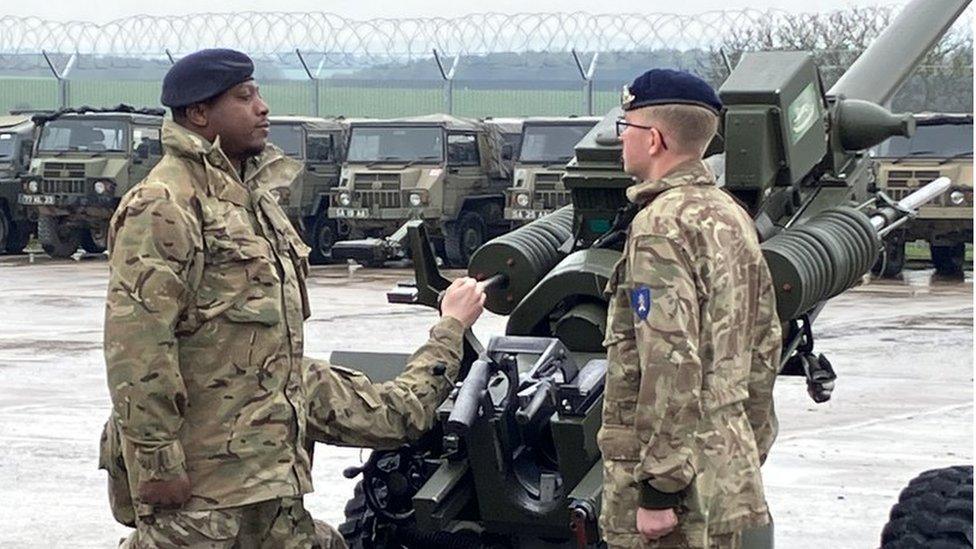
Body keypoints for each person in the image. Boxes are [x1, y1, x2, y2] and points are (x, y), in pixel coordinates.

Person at [98, 48, 485, 548]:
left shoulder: (251, 201)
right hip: (203, 501)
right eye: (244, 96)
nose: (262, 107)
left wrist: (449, 328)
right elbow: (137, 348)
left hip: (270, 491)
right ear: (199, 113)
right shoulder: (165, 205)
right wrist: (156, 463)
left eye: (258, 92)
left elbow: (273, 354)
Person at [599, 68, 782, 548]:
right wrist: (745, 448)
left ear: (654, 138)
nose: (621, 141)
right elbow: (765, 346)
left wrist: (659, 489)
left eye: (627, 128)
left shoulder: (660, 226)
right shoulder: (731, 217)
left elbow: (670, 360)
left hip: (677, 489)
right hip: (722, 470)